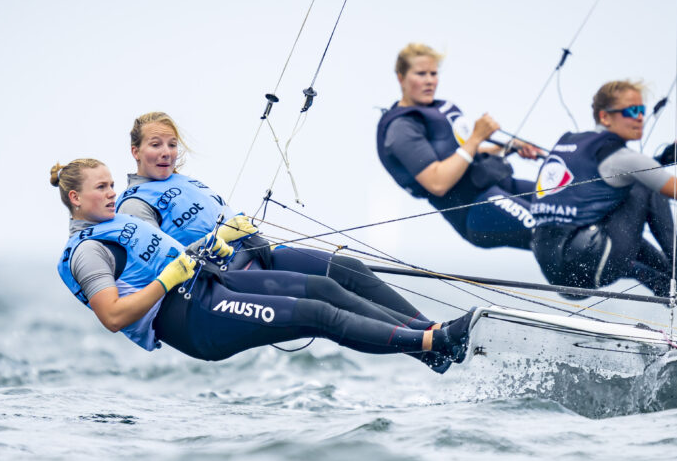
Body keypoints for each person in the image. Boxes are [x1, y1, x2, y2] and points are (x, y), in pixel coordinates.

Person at [50, 158, 474, 368]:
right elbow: (112, 316)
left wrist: (216, 244)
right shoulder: (88, 251)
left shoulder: (118, 222)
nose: (111, 193)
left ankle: (433, 336)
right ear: (75, 198)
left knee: (325, 290)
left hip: (209, 288)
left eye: (111, 185)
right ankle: (437, 342)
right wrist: (167, 280)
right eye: (102, 188)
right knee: (317, 314)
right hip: (193, 322)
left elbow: (175, 254)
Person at [116, 111, 455, 371]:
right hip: (227, 279)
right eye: (155, 145)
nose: (166, 153)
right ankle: (432, 343)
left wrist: (250, 234)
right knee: (325, 297)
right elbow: (157, 259)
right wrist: (216, 240)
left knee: (350, 269)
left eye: (172, 144)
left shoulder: (186, 182)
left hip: (257, 253)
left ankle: (432, 332)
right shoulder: (135, 203)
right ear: (136, 151)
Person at [530, 79, 677, 297]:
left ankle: (665, 281)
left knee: (629, 194)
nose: (640, 117)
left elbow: (602, 183)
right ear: (605, 116)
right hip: (589, 264)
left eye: (641, 110)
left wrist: (657, 161)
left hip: (554, 270)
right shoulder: (623, 158)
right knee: (646, 183)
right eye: (630, 111)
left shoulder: (571, 144)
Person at [376, 43, 541, 250]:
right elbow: (438, 182)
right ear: (401, 78)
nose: (429, 81)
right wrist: (475, 138)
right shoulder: (401, 129)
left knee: (567, 206)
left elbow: (460, 156)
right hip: (475, 207)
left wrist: (510, 147)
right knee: (550, 231)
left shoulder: (439, 109)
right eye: (421, 74)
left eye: (433, 73)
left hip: (499, 185)